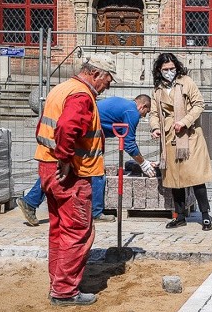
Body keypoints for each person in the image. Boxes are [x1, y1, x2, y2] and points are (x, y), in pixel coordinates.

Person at [34, 55, 118, 306]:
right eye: (108, 80)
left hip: (48, 167)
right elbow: (67, 127)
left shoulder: (62, 88)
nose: (108, 86)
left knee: (59, 229)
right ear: (96, 74)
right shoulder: (81, 95)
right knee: (78, 230)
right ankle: (65, 291)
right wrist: (65, 159)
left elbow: (45, 126)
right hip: (71, 173)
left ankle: (58, 283)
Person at [16, 95, 154, 225]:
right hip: (85, 137)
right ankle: (95, 213)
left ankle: (30, 201)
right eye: (146, 112)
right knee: (97, 173)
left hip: (83, 134)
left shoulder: (124, 105)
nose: (144, 116)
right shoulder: (132, 111)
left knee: (64, 170)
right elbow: (129, 144)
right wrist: (143, 163)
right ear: (143, 106)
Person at [149, 53, 212, 231]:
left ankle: (205, 215)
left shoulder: (186, 82)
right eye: (165, 70)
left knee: (196, 177)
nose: (169, 72)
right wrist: (155, 127)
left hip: (189, 135)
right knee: (175, 178)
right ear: (159, 71)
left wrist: (185, 121)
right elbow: (154, 113)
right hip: (169, 137)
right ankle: (180, 215)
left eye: (172, 68)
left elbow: (199, 104)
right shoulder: (157, 89)